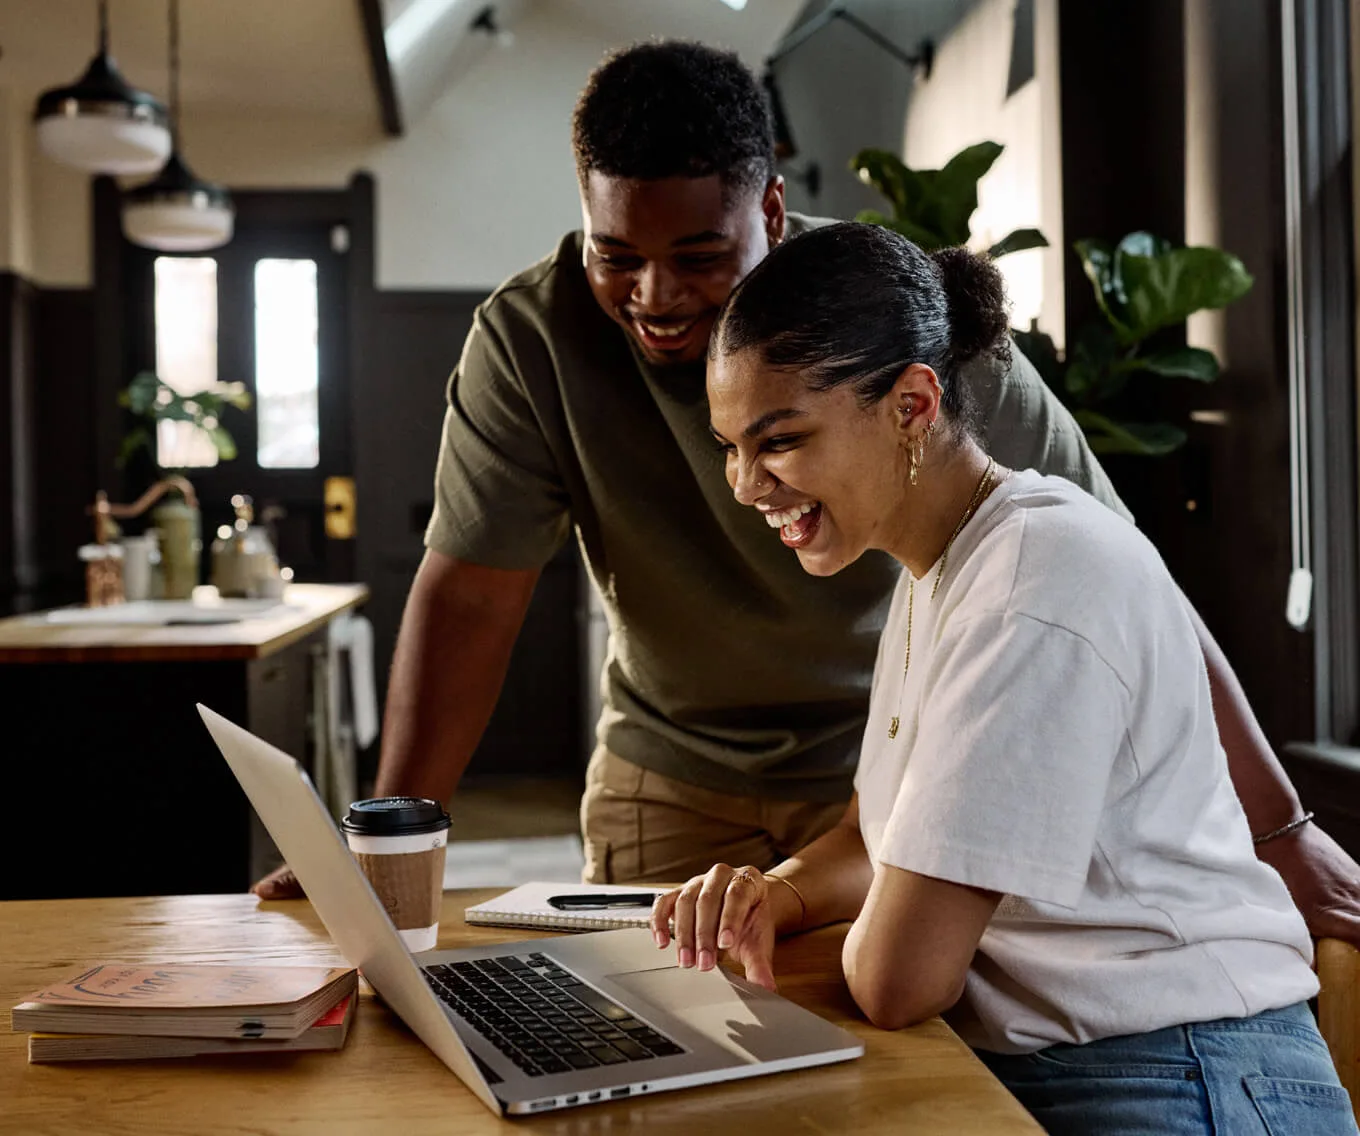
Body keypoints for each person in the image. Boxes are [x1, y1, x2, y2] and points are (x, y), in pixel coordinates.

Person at [252, 42, 1360, 953]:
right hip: (672, 763)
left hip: (890, 768)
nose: (655, 297)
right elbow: (471, 600)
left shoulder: (894, 322)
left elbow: (1130, 590)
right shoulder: (531, 337)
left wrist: (1280, 828)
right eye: (614, 254)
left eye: (697, 253)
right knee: (648, 1049)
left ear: (771, 208)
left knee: (875, 1072)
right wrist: (388, 837)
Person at [656, 222, 1358, 1135]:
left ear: (912, 406)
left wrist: (881, 923)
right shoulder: (943, 568)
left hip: (1181, 1075)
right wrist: (775, 892)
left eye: (778, 441)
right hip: (1073, 1062)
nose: (746, 485)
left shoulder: (1032, 580)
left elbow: (901, 978)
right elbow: (880, 839)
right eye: (730, 447)